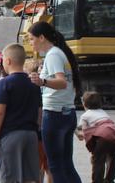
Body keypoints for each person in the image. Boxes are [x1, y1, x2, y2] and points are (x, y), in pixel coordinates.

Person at [26, 21, 83, 183]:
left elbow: (61, 82)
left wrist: (42, 81)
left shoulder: (52, 55)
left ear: (42, 38)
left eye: (31, 39)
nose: (31, 43)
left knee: (56, 166)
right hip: (67, 113)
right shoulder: (60, 53)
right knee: (66, 165)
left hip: (54, 114)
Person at [0, 44, 41, 183]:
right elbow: (39, 111)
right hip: (31, 133)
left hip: (10, 133)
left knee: (10, 176)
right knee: (31, 177)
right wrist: (35, 129)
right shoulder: (34, 83)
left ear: (8, 61)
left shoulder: (4, 83)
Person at [76, 92, 115, 183]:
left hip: (104, 136)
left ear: (85, 105)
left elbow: (87, 134)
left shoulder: (85, 116)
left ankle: (97, 181)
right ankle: (109, 179)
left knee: (98, 160)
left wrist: (93, 152)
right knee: (112, 157)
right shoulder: (102, 112)